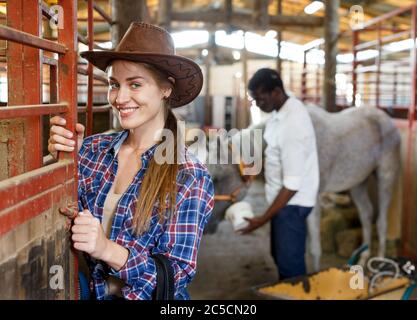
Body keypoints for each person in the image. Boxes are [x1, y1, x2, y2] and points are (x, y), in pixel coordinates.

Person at [48, 22, 214, 300]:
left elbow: (176, 278)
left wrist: (106, 250)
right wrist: (61, 160)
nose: (119, 98)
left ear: (165, 89)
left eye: (135, 84)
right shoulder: (92, 150)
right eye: (115, 84)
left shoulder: (189, 176)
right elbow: (56, 210)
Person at [239, 68, 319, 280]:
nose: (257, 104)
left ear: (276, 92)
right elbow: (276, 156)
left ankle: (294, 292)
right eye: (254, 99)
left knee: (290, 265)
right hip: (282, 201)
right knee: (281, 256)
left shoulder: (292, 125)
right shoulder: (282, 109)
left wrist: (262, 219)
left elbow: (292, 185)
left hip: (291, 204)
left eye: (260, 98)